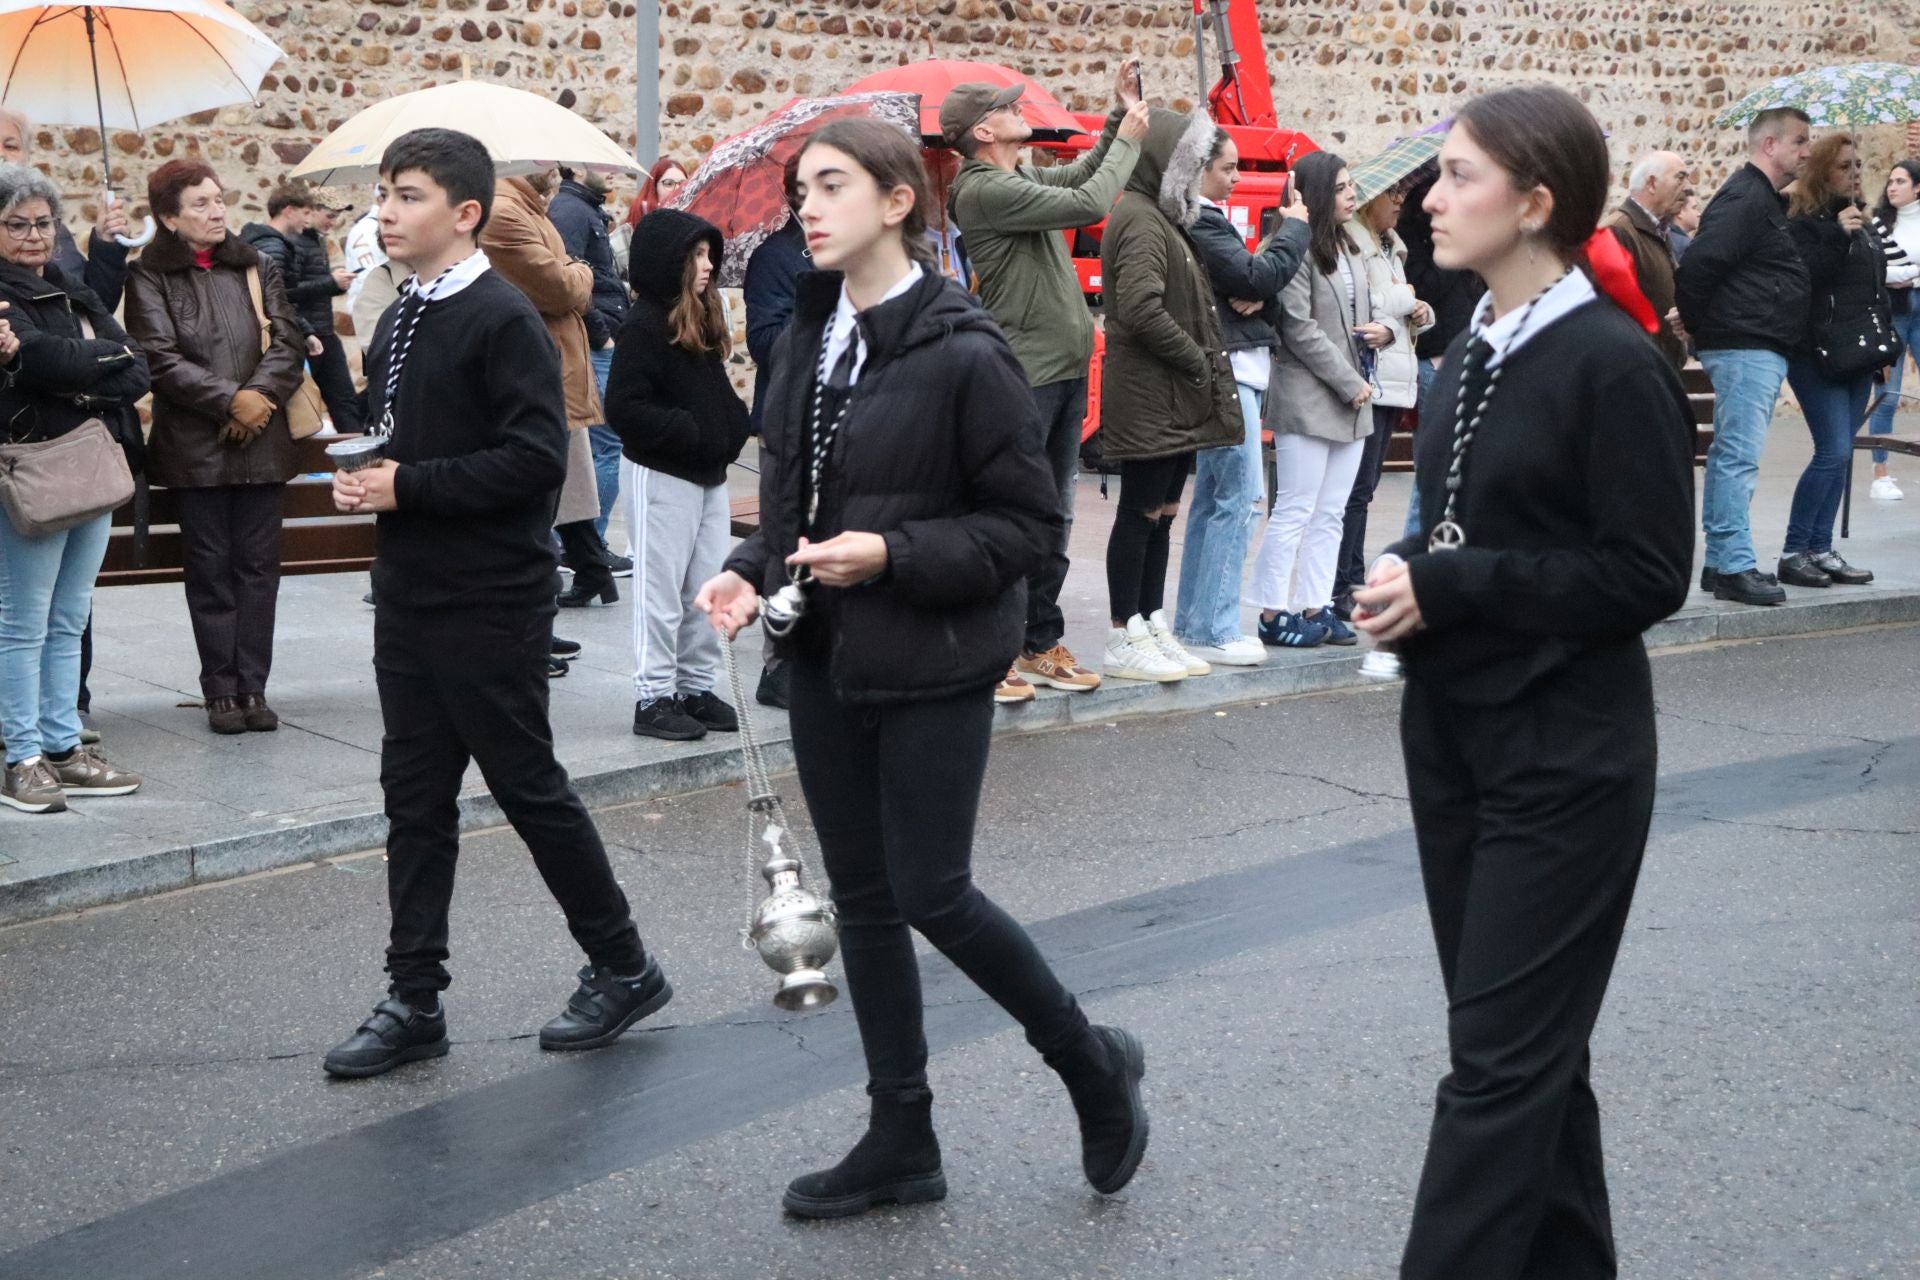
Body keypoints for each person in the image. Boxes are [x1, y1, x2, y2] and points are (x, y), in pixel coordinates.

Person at [694, 118, 1148, 1218]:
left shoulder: (965, 349)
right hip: (824, 662)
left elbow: (1027, 532)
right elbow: (801, 499)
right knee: (864, 902)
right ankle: (902, 1131)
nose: (807, 206)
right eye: (801, 189)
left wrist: (892, 554)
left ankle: (1091, 1062)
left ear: (899, 200)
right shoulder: (806, 333)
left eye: (832, 186)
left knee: (931, 889)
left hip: (936, 655)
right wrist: (751, 568)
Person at [1350, 85, 1694, 1280]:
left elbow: (1648, 573)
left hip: (1567, 755)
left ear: (1535, 202)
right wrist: (1405, 571)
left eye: (1457, 177)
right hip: (1454, 734)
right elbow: (1465, 531)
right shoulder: (1470, 352)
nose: (1431, 200)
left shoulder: (1610, 358)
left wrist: (1458, 585)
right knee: (1529, 1054)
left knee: (1497, 1068)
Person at [324, 128, 670, 1080]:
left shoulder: (503, 316)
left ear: (465, 213)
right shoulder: (396, 316)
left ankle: (624, 963)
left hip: (490, 596)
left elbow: (531, 463)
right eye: (383, 195)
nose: (384, 212)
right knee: (415, 800)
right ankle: (414, 997)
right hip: (411, 591)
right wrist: (371, 477)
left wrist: (410, 486)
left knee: (527, 787)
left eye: (406, 196)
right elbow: (403, 435)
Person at [949, 64, 1151, 702]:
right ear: (986, 130)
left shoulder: (1017, 175)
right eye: (1011, 107)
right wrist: (1133, 142)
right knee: (1016, 518)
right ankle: (993, 650)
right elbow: (1093, 201)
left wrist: (1119, 116)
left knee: (1055, 518)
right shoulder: (980, 189)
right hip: (1026, 376)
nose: (1022, 110)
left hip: (1061, 370)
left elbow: (1083, 174)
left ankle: (1038, 641)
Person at [124, 160, 307, 735]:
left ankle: (254, 686)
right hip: (196, 448)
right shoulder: (147, 275)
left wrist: (258, 398)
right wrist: (230, 402)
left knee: (258, 571)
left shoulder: (258, 264)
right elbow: (158, 356)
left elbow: (288, 338)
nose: (216, 211)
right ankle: (220, 691)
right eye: (200, 204)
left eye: (219, 199)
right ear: (168, 217)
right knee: (210, 572)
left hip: (264, 441)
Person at [0, 163, 147, 813]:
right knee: (22, 623)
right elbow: (47, 360)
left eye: (43, 223)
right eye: (16, 224)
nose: (34, 236)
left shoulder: (68, 286)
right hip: (32, 472)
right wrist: (71, 365)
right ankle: (20, 757)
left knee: (68, 618)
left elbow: (135, 367)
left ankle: (63, 746)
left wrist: (49, 364)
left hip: (90, 466)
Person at [1097, 110, 1243, 682]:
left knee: (1162, 514)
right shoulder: (1139, 219)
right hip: (1155, 394)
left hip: (1174, 397)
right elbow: (1137, 307)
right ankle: (1121, 633)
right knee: (1139, 513)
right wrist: (1195, 361)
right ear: (1170, 162)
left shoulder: (1162, 217)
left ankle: (1149, 621)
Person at [604, 209, 750, 741]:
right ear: (671, 262)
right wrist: (689, 432)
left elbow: (717, 395)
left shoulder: (699, 318)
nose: (708, 265)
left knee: (706, 586)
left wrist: (734, 425)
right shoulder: (644, 325)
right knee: (660, 591)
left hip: (707, 475)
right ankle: (654, 696)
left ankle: (694, 686)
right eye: (697, 256)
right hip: (662, 474)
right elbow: (623, 406)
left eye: (710, 254)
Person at [1178, 133, 1310, 666]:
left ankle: (1196, 620)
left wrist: (1260, 287)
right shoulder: (1203, 220)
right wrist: (1293, 229)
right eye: (1227, 168)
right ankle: (1214, 627)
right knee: (1240, 499)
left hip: (1235, 367)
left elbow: (1258, 284)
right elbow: (1258, 274)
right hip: (1232, 370)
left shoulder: (1205, 219)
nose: (1236, 178)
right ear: (1200, 169)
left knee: (1215, 500)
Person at [1675, 107, 1812, 607]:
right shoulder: (1746, 197)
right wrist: (1695, 322)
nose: (1806, 151)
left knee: (1730, 455)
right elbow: (1700, 266)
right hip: (1745, 343)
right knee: (1738, 457)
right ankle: (1734, 563)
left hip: (1752, 341)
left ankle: (1719, 562)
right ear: (1769, 145)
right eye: (1799, 141)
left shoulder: (1762, 200)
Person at [1245, 151, 1381, 650]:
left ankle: (1315, 605)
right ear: (1319, 193)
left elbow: (1362, 310)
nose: (1351, 194)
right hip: (1309, 392)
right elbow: (1298, 328)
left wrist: (1388, 328)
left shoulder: (1351, 245)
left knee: (1332, 512)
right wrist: (1349, 381)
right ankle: (1271, 612)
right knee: (1296, 508)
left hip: (1353, 395)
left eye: (1351, 185)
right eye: (1343, 187)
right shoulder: (1293, 247)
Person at [482, 169, 621, 608]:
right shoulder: (506, 212)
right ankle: (552, 596)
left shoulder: (532, 208)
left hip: (554, 365)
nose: (558, 166)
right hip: (540, 367)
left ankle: (570, 582)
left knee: (558, 482)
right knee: (544, 488)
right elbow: (561, 287)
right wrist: (581, 273)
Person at [1776, 133, 1887, 589]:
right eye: (1844, 166)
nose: (1855, 173)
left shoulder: (1865, 221)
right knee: (1833, 450)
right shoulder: (1801, 222)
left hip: (1858, 352)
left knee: (1839, 456)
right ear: (1823, 172)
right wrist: (1839, 236)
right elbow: (1805, 280)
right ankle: (1794, 550)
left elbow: (1874, 287)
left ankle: (1820, 548)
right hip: (1815, 352)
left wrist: (1885, 346)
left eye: (1858, 165)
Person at [1332, 178, 1434, 621]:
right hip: (1370, 379)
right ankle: (1342, 583)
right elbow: (1365, 302)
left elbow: (1394, 314)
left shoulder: (1392, 246)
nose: (1400, 203)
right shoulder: (1355, 243)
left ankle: (1348, 578)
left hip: (1392, 379)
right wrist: (1406, 301)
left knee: (1366, 488)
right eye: (1393, 195)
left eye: (1404, 196)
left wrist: (1419, 314)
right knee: (1354, 491)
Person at [549, 166, 633, 559]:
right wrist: (603, 335)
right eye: (602, 165)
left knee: (601, 445)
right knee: (607, 445)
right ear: (578, 169)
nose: (613, 171)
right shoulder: (569, 211)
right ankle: (586, 546)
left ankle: (582, 545)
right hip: (595, 345)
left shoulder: (585, 209)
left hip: (602, 339)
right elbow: (568, 282)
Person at [241, 184, 362, 434]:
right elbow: (282, 294)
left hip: (318, 331)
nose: (333, 221)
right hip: (304, 333)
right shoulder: (287, 242)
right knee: (304, 407)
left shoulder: (312, 241)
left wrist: (334, 284)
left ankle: (357, 456)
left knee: (343, 401)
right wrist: (329, 284)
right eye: (328, 215)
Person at [0, 108, 132, 311]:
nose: (2, 155)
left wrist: (106, 248)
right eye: (16, 226)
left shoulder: (50, 227)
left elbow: (93, 307)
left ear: (26, 155)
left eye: (11, 146)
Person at [1602, 150, 1690, 369]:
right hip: (1634, 370)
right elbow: (1610, 313)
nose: (1688, 188)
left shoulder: (1657, 231)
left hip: (1660, 367)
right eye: (1680, 178)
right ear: (1651, 183)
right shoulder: (1618, 231)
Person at [1866, 158, 1920, 500]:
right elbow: (1871, 266)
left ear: (1918, 187)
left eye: (1901, 181)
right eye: (1890, 181)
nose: (1892, 186)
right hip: (1895, 310)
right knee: (1888, 390)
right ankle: (1880, 473)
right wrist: (1898, 276)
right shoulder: (1878, 223)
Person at [625, 156, 689, 228]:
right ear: (654, 187)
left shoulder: (695, 213)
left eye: (683, 184)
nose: (677, 188)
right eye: (669, 184)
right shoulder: (642, 211)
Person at [1667, 189, 1700, 260]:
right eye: (1694, 208)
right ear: (1680, 212)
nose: (1699, 214)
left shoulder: (1666, 237)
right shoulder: (1686, 246)